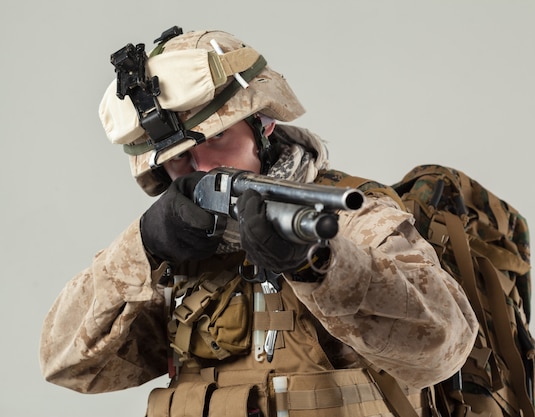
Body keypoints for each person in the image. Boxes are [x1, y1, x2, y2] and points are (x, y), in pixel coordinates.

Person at [40, 26, 478, 417]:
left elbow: (443, 346)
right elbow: (69, 364)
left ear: (262, 124)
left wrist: (320, 265)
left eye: (216, 139)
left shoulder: (351, 217)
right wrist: (143, 246)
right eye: (177, 160)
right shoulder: (177, 256)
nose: (201, 167)